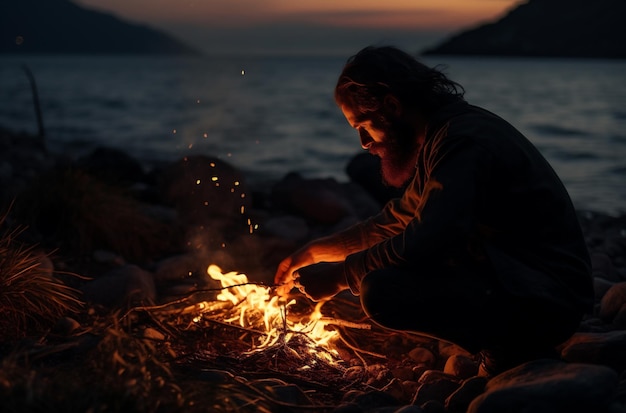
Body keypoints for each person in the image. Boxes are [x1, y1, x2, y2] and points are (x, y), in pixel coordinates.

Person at [274, 46, 593, 376]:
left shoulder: (462, 141)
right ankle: (511, 342)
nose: (363, 142)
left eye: (364, 125)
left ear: (392, 106)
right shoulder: (444, 134)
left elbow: (425, 239)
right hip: (530, 283)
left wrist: (342, 275)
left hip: (548, 297)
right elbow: (396, 220)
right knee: (393, 273)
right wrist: (314, 252)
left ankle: (514, 348)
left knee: (382, 291)